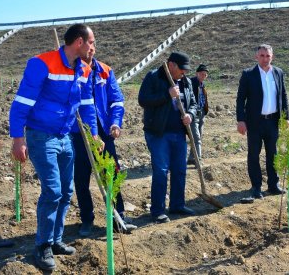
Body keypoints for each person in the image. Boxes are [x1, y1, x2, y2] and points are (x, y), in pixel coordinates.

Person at [9, 24, 98, 271]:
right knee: (53, 191)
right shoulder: (42, 64)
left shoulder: (84, 69)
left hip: (65, 137)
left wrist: (94, 135)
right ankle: (42, 245)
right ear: (79, 42)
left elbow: (87, 105)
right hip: (41, 136)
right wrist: (18, 139)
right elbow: (21, 103)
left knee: (66, 191)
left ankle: (56, 239)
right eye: (91, 42)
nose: (93, 48)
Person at [71, 43, 137, 237]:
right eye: (86, 45)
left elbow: (116, 100)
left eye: (93, 44)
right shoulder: (72, 71)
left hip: (104, 132)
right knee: (81, 178)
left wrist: (115, 123)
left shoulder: (105, 71)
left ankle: (118, 217)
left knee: (111, 175)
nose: (90, 48)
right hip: (79, 133)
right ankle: (87, 219)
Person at [138, 52, 197, 223]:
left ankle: (177, 205)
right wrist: (167, 94)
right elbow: (143, 100)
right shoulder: (154, 77)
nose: (183, 73)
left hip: (179, 132)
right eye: (181, 69)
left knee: (180, 170)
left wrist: (190, 115)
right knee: (161, 171)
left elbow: (193, 103)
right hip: (158, 133)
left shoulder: (185, 81)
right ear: (171, 65)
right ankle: (158, 210)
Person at [236, 44, 289, 199]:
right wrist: (240, 120)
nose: (265, 59)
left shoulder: (278, 73)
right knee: (254, 154)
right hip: (254, 122)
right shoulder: (248, 74)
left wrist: (286, 117)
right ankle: (256, 187)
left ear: (272, 57)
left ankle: (273, 185)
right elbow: (240, 99)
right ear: (256, 57)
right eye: (262, 55)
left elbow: (283, 96)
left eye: (268, 56)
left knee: (273, 154)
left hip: (272, 121)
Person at [187, 64, 210, 164]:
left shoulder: (202, 84)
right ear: (197, 73)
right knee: (196, 137)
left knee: (199, 136)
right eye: (202, 74)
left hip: (201, 114)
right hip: (193, 114)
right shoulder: (191, 83)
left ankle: (192, 158)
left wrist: (205, 111)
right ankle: (198, 160)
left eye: (205, 75)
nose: (203, 76)